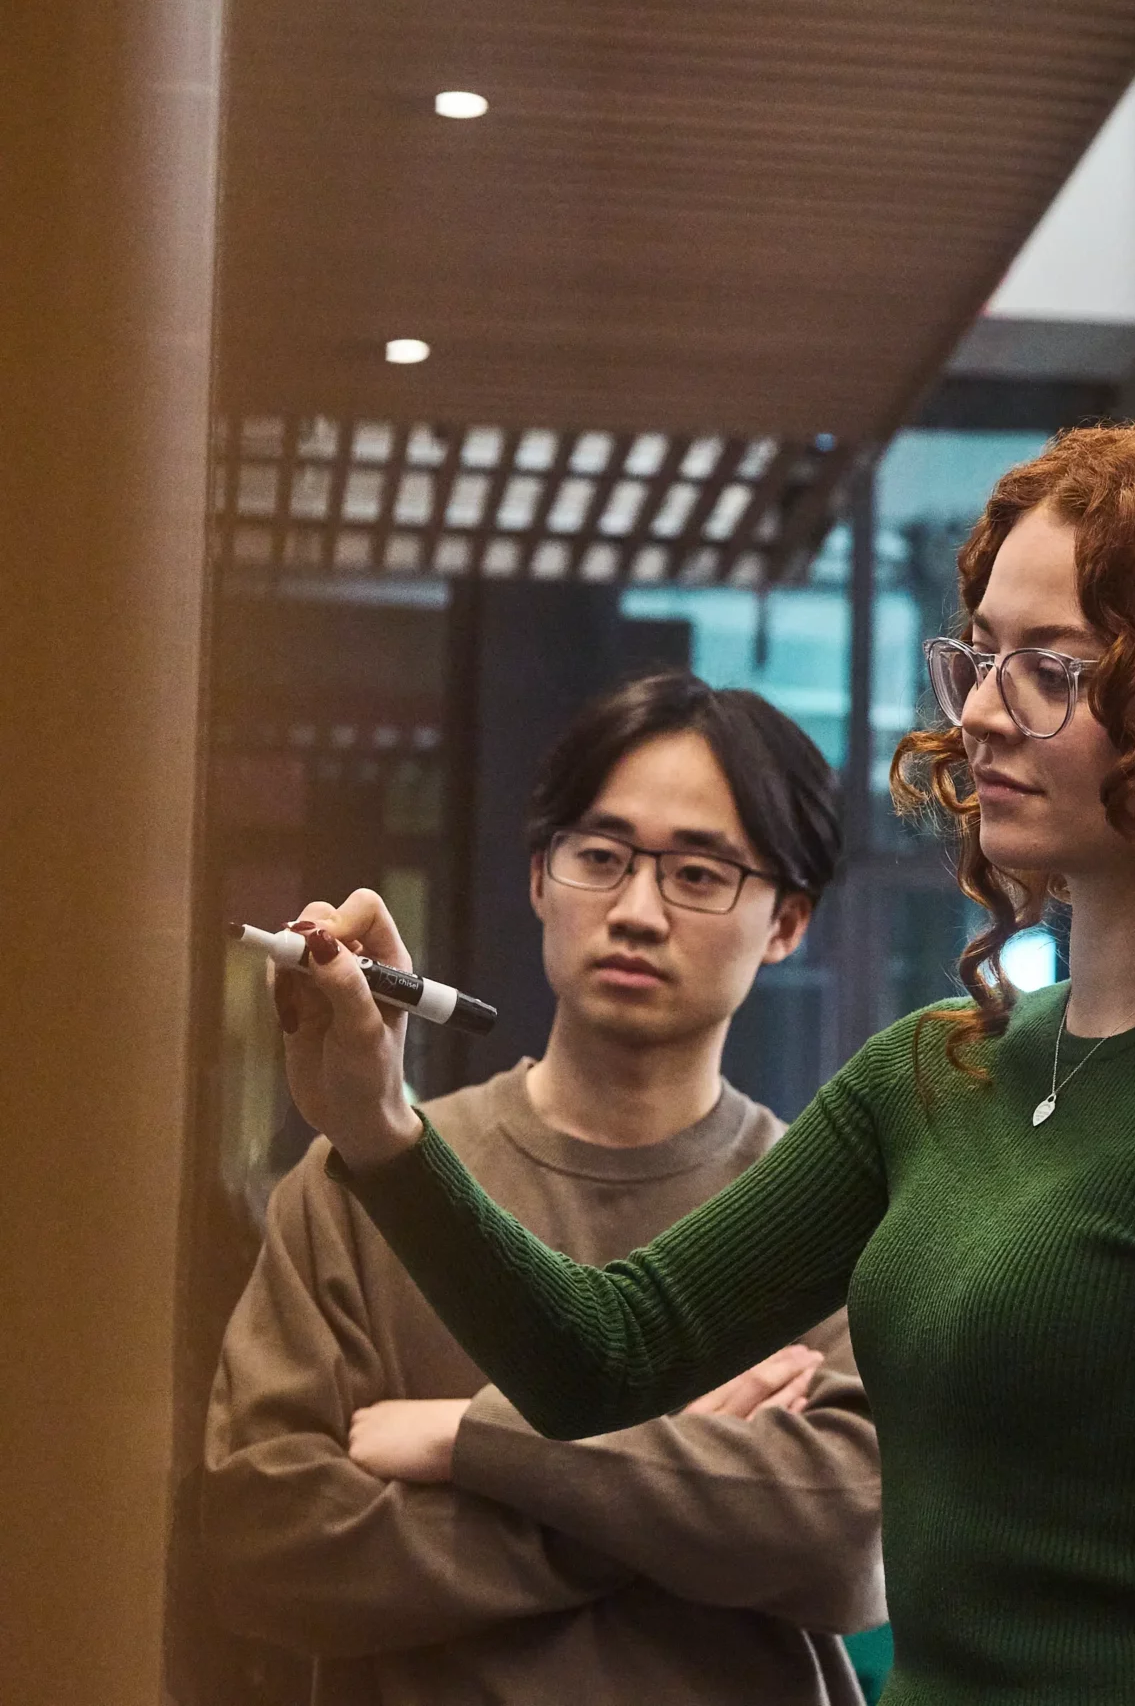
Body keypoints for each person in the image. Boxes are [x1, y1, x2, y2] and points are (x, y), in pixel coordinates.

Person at [263, 418, 1135, 1704]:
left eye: (1051, 669)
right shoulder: (936, 1073)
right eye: (981, 657)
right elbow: (602, 1353)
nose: (982, 712)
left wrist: (466, 1438)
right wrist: (378, 1123)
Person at [203, 674, 886, 1705]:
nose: (637, 912)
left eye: (699, 873)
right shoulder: (368, 1181)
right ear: (538, 876)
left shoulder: (822, 1209)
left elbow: (841, 1540)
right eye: (601, 858)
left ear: (787, 920)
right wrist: (677, 1489)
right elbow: (269, 1544)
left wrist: (462, 1439)